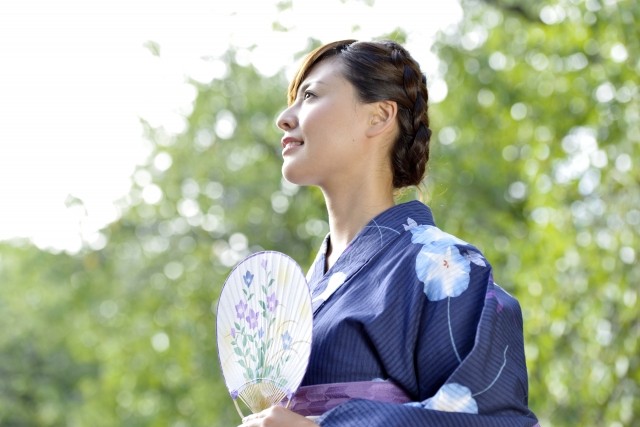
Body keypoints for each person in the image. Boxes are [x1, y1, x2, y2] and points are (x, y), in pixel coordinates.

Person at [239, 40, 539, 427]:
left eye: (309, 96)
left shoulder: (444, 266)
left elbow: (495, 417)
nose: (285, 117)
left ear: (379, 116)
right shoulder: (302, 292)